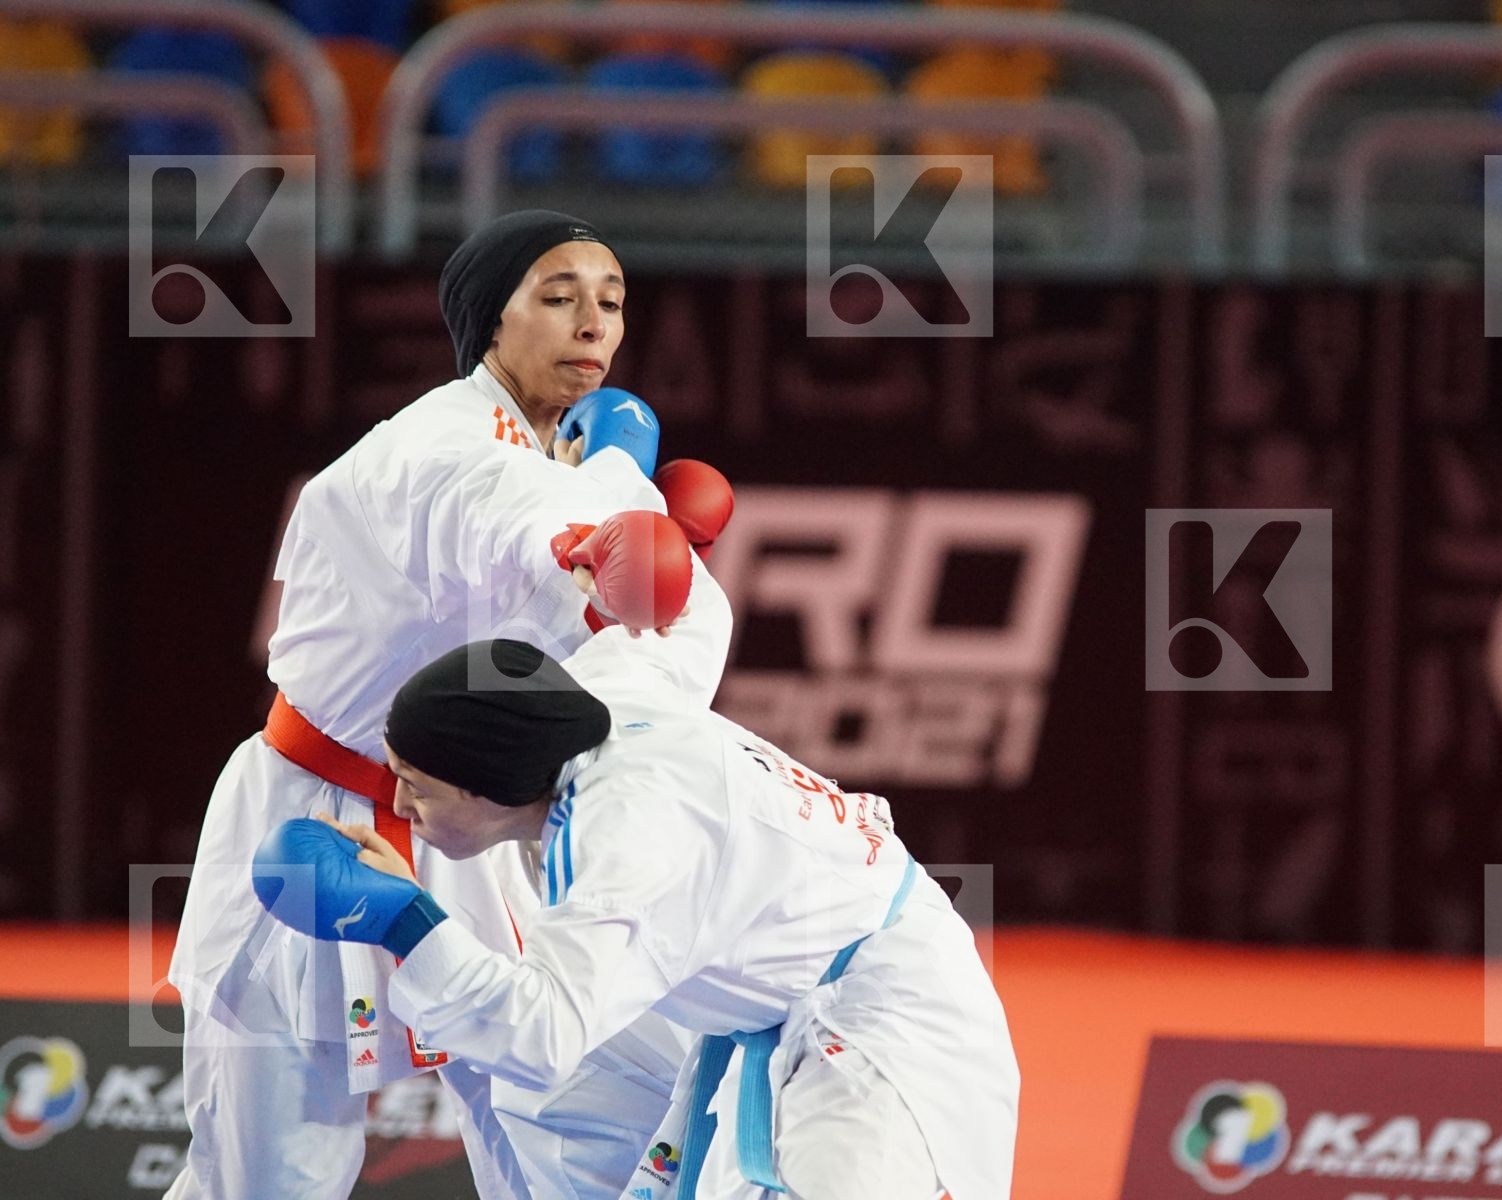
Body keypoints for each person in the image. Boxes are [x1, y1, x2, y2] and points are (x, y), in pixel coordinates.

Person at [165, 209, 736, 1200]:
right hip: (318, 824)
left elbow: (660, 626)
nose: (592, 324)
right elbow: (515, 519)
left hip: (476, 831)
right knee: (264, 1177)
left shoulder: (561, 456)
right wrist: (611, 522)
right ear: (488, 322)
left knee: (562, 1124)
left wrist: (626, 509)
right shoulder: (440, 455)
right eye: (557, 299)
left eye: (610, 302)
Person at [252, 624, 1021, 1200]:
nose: (398, 803)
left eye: (417, 783)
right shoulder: (602, 689)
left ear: (489, 787)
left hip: (884, 1018)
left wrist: (401, 919)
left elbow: (543, 1030)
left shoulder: (625, 842)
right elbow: (676, 619)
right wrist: (633, 503)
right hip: (786, 994)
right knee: (542, 1101)